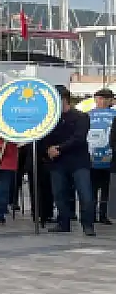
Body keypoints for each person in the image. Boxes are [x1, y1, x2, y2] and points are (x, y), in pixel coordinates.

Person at [44, 87, 95, 236]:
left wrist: (59, 148)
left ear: (64, 99)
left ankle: (88, 224)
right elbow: (45, 138)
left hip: (78, 161)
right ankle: (63, 222)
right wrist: (48, 149)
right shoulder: (50, 119)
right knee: (59, 194)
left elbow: (79, 138)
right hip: (58, 162)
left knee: (85, 194)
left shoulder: (81, 117)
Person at [90, 88, 114, 225]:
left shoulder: (114, 115)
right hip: (93, 159)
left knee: (106, 190)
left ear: (110, 100)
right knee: (93, 189)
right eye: (98, 98)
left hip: (108, 159)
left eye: (102, 99)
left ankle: (102, 214)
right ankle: (94, 214)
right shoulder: (88, 115)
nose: (100, 101)